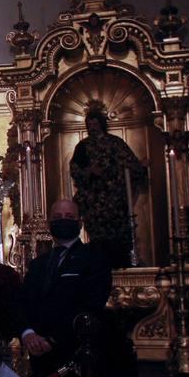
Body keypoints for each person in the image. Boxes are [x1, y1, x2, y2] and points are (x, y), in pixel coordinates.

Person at [18, 198, 113, 377]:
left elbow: (90, 306)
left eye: (69, 217)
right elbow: (25, 302)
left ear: (79, 222)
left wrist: (54, 339)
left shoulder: (94, 260)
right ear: (50, 223)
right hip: (43, 359)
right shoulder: (39, 264)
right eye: (58, 216)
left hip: (77, 357)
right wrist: (28, 333)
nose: (63, 220)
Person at [68, 103, 146, 268]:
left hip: (115, 202)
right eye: (89, 124)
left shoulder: (115, 143)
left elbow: (131, 165)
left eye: (95, 123)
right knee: (98, 243)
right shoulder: (82, 147)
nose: (92, 127)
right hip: (94, 204)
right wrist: (89, 171)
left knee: (118, 242)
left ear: (102, 124)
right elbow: (75, 169)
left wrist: (139, 167)